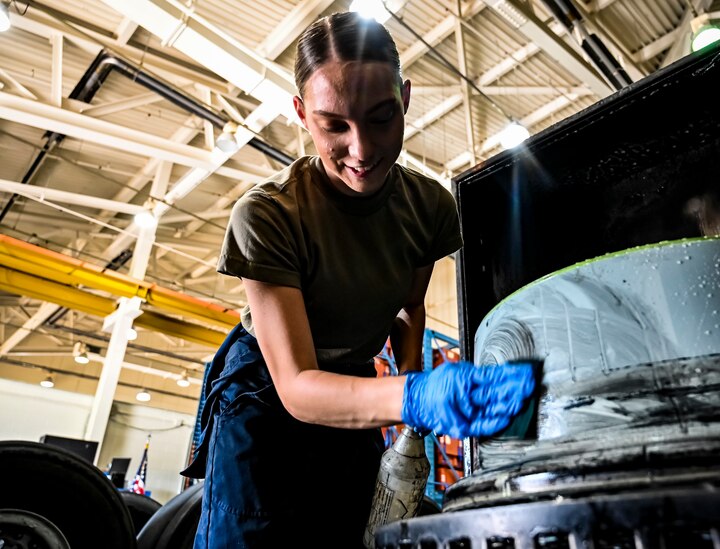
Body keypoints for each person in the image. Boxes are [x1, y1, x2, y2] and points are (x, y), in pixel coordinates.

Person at [182, 11, 535, 548]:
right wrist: (415, 395)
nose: (363, 150)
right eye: (335, 126)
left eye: (380, 118)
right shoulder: (268, 216)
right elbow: (299, 388)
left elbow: (407, 311)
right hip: (265, 395)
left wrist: (413, 392)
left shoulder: (430, 208)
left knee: (354, 536)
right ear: (302, 114)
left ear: (406, 98)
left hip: (354, 384)